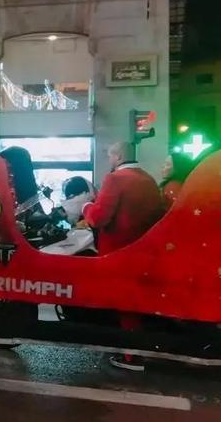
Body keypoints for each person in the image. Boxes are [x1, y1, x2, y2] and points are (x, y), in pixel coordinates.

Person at [81, 141, 163, 372]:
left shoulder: (115, 179)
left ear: (117, 156)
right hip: (144, 250)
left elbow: (98, 218)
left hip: (117, 252)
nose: (109, 159)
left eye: (109, 155)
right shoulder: (148, 180)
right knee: (136, 301)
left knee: (124, 303)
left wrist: (86, 205)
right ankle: (138, 348)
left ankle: (131, 355)